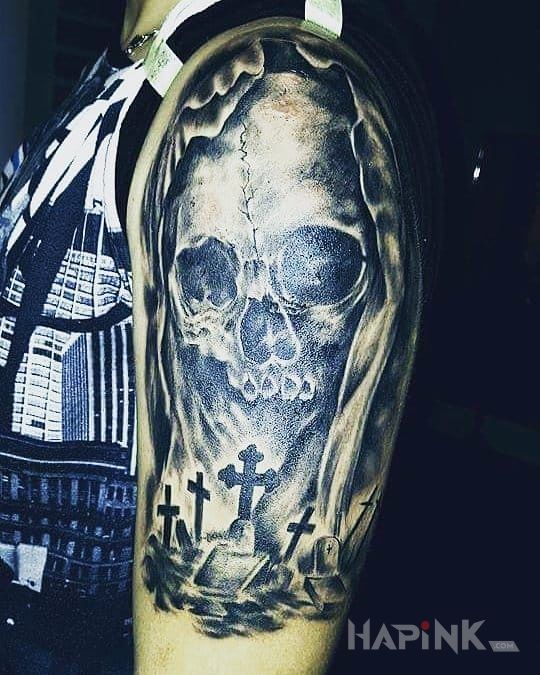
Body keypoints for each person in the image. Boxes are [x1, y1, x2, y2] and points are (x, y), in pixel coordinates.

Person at [0, 1, 440, 672]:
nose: (263, 338)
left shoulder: (277, 101)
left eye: (316, 269)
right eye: (209, 276)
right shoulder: (138, 53)